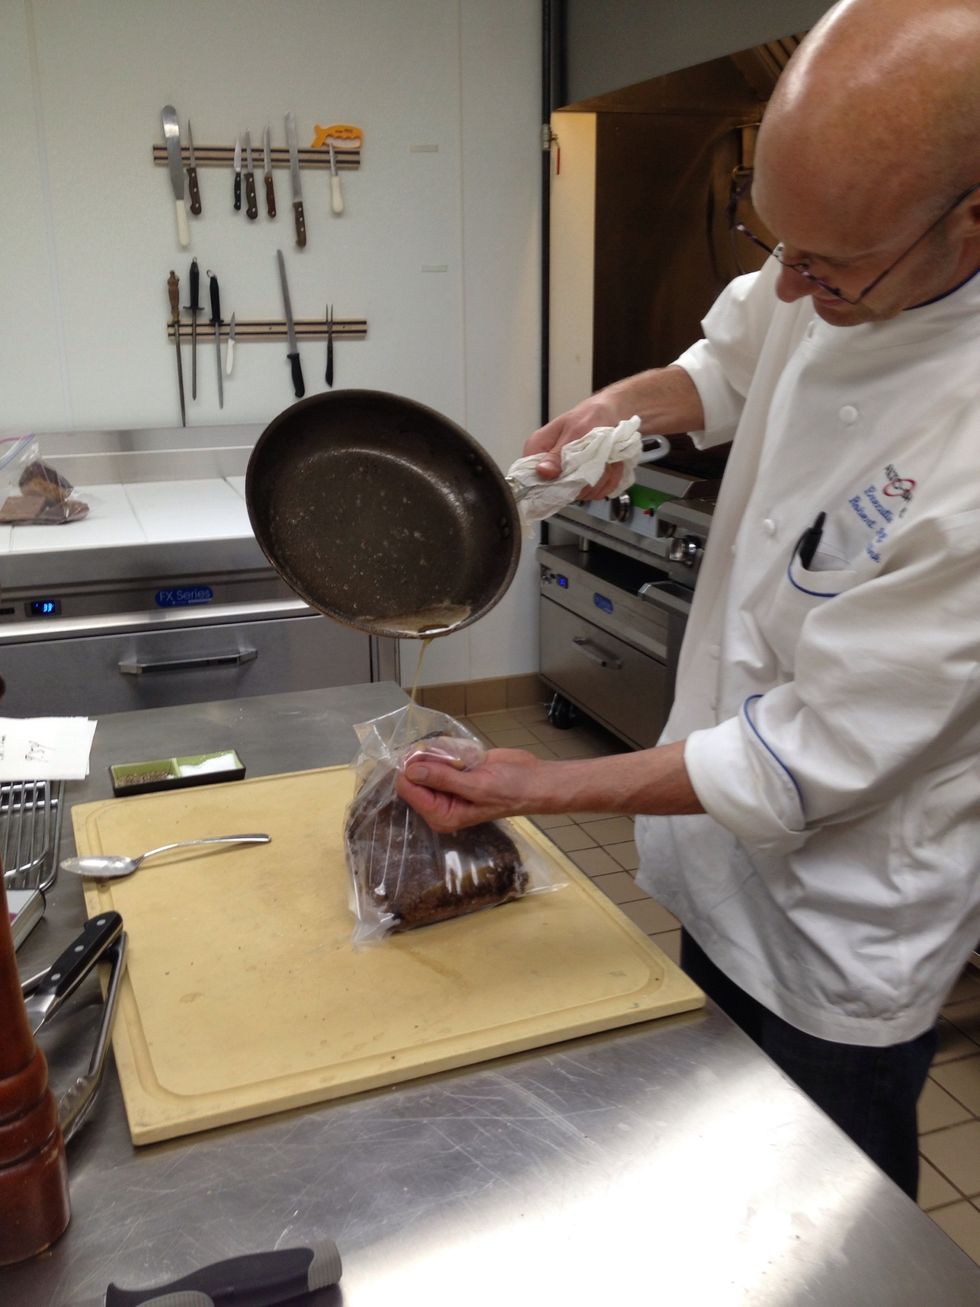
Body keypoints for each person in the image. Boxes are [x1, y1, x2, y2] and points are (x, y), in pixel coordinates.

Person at [396, 0, 980, 1202]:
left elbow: (801, 759)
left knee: (832, 1234)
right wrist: (625, 407)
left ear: (971, 217)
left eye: (829, 266)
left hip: (838, 935)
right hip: (711, 875)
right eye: (779, 246)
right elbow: (727, 362)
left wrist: (540, 785)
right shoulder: (827, 253)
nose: (793, 281)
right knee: (716, 1193)